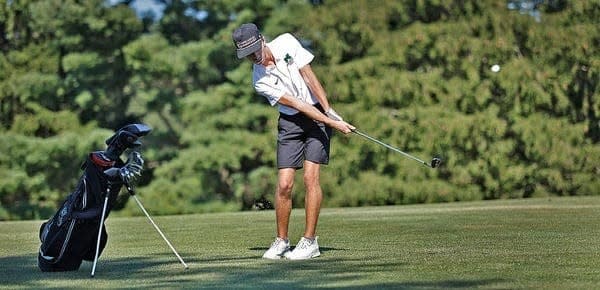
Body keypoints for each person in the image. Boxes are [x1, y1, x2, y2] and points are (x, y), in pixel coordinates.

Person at [232, 23, 355, 260]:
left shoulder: (287, 42)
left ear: (263, 40)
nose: (254, 57)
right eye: (247, 55)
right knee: (285, 184)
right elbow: (298, 105)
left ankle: (309, 242)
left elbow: (309, 76)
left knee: (311, 178)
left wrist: (329, 110)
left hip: (317, 113)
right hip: (291, 124)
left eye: (255, 50)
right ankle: (281, 241)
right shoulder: (259, 80)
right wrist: (333, 124)